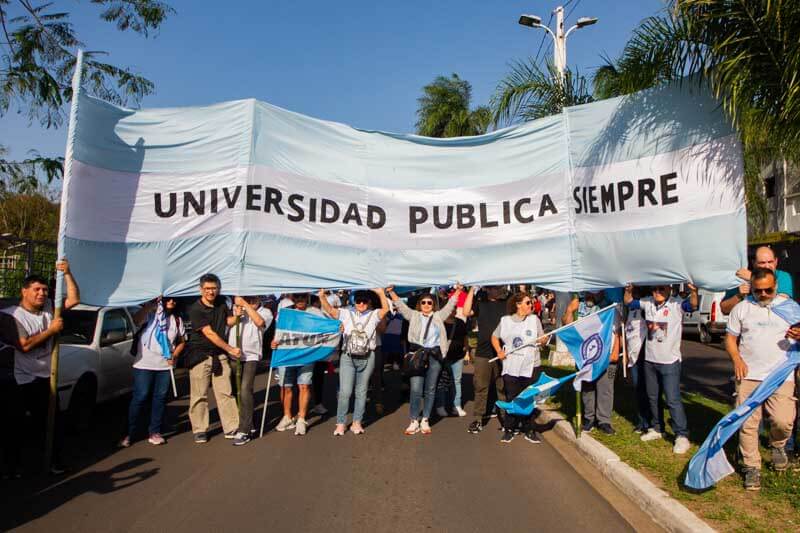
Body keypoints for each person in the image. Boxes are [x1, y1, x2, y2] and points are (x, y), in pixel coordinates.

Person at [3, 260, 80, 474]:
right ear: (24, 291)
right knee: (15, 425)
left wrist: (67, 273)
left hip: (46, 377)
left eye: (45, 290)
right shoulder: (11, 316)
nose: (42, 293)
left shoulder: (49, 308)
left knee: (52, 422)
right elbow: (24, 345)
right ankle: (12, 467)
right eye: (36, 289)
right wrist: (52, 330)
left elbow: (74, 299)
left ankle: (53, 461)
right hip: (22, 379)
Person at [725, 268, 797, 490]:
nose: (763, 294)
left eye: (768, 290)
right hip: (749, 376)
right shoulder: (742, 308)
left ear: (775, 285)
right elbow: (730, 338)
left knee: (783, 421)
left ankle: (778, 445)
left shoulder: (790, 307)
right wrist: (737, 359)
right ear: (752, 288)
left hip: (781, 374)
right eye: (759, 291)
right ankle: (752, 468)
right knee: (748, 424)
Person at [624, 282, 698, 454]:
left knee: (672, 399)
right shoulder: (647, 302)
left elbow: (692, 305)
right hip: (650, 360)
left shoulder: (676, 304)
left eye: (661, 289)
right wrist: (628, 291)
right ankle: (657, 428)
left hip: (670, 361)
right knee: (652, 396)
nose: (657, 293)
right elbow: (629, 302)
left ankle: (681, 434)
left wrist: (694, 292)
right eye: (655, 289)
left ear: (669, 290)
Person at [389, 286, 461, 435]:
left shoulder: (439, 316)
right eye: (424, 302)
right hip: (417, 354)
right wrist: (391, 292)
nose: (427, 305)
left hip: (434, 356)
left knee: (430, 389)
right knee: (415, 389)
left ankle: (425, 419)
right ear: (419, 304)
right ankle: (414, 419)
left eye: (429, 302)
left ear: (433, 305)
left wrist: (458, 291)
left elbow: (450, 305)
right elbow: (400, 306)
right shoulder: (414, 315)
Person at [319, 288, 389, 436]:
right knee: (345, 391)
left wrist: (381, 293)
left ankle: (357, 422)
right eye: (358, 301)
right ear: (354, 302)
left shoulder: (373, 314)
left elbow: (385, 309)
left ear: (369, 302)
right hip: (348, 357)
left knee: (361, 391)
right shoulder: (346, 313)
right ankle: (341, 423)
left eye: (364, 301)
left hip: (368, 356)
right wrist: (321, 296)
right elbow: (331, 311)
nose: (361, 303)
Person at [120, 296, 185, 448]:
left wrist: (174, 355)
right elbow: (136, 320)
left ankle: (155, 431)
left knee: (160, 398)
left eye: (174, 299)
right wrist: (150, 305)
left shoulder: (177, 320)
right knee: (140, 397)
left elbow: (182, 342)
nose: (171, 302)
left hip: (164, 366)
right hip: (144, 364)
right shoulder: (150, 315)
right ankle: (129, 432)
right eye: (168, 299)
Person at [185, 273, 241, 443]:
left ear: (218, 289)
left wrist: (237, 316)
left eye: (214, 288)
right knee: (199, 395)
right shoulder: (195, 309)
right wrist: (230, 349)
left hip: (219, 354)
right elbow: (210, 333)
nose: (211, 292)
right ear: (201, 289)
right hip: (200, 355)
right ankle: (200, 429)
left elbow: (226, 322)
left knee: (225, 392)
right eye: (207, 289)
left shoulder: (222, 303)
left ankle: (232, 426)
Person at [492, 291, 549, 444]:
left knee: (529, 398)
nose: (531, 305)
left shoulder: (534, 319)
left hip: (532, 365)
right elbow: (494, 336)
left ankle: (529, 429)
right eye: (528, 302)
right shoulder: (505, 321)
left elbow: (541, 338)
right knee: (513, 398)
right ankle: (509, 428)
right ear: (518, 305)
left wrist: (544, 341)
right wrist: (499, 351)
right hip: (512, 366)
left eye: (531, 302)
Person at [563, 290, 620, 434]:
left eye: (593, 292)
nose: (589, 295)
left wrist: (615, 351)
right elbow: (567, 325)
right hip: (585, 356)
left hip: (606, 356)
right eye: (588, 291)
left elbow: (617, 331)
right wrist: (570, 310)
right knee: (587, 387)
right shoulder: (579, 305)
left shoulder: (610, 307)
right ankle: (589, 419)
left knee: (605, 389)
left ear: (601, 292)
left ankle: (604, 421)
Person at [273, 293, 323, 435]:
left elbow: (326, 328)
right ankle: (287, 416)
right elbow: (279, 331)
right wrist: (274, 341)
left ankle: (301, 418)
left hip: (306, 354)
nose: (300, 299)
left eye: (303, 296)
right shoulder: (286, 312)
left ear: (307, 297)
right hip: (287, 353)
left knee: (304, 385)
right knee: (286, 386)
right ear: (292, 298)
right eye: (297, 297)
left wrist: (338, 328)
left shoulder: (315, 312)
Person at [230, 296, 272, 446]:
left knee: (245, 389)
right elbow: (225, 324)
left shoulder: (265, 311)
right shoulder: (235, 309)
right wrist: (236, 314)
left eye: (253, 298)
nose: (251, 300)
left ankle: (244, 430)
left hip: (251, 356)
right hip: (234, 354)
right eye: (248, 298)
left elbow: (261, 323)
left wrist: (245, 304)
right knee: (236, 392)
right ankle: (249, 421)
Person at [468, 286, 508, 434]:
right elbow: (466, 312)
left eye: (498, 287)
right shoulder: (481, 304)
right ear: (487, 289)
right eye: (493, 287)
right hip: (483, 352)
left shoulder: (506, 305)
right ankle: (478, 419)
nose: (497, 290)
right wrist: (471, 289)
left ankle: (505, 418)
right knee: (480, 387)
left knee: (502, 387)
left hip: (503, 352)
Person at [436, 286, 475, 418]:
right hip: (442, 356)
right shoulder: (439, 323)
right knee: (441, 382)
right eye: (449, 308)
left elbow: (465, 338)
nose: (452, 311)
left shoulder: (460, 322)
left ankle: (456, 405)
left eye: (453, 308)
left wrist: (467, 352)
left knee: (456, 381)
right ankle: (440, 406)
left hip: (457, 356)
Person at [720, 246, 794, 315]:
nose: (767, 266)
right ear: (753, 263)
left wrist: (754, 279)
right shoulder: (742, 278)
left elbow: (782, 304)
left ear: (776, 261)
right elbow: (724, 309)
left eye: (770, 262)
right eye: (762, 263)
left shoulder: (782, 276)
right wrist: (738, 296)